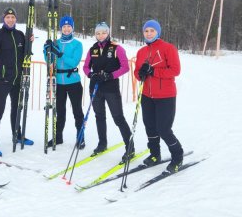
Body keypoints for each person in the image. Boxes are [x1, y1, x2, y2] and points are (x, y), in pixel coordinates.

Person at [135, 19, 184, 173]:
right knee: (150, 127)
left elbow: (175, 70)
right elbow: (137, 73)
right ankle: (155, 154)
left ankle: (178, 156)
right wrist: (141, 73)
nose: (149, 33)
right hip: (147, 96)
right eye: (146, 31)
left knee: (163, 129)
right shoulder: (141, 52)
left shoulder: (168, 48)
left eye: (152, 31)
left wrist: (154, 71)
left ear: (158, 32)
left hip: (165, 96)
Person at [0, 7, 34, 157]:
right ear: (3, 19)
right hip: (2, 80)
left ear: (16, 19)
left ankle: (17, 135)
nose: (10, 20)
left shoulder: (20, 35)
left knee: (17, 108)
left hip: (18, 79)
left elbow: (25, 54)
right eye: (8, 17)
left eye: (13, 17)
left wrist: (29, 42)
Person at [83, 22, 133, 160]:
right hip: (96, 87)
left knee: (118, 118)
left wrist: (110, 75)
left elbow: (125, 67)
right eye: (98, 33)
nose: (100, 35)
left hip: (111, 88)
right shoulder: (92, 49)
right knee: (99, 116)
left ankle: (130, 147)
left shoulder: (116, 48)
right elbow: (86, 67)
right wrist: (90, 74)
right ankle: (102, 143)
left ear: (108, 33)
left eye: (103, 32)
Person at [43, 15, 85, 149]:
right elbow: (49, 61)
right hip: (58, 83)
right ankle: (58, 137)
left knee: (77, 111)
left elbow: (73, 62)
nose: (66, 29)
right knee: (60, 111)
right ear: (60, 28)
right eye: (64, 27)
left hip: (73, 82)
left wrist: (60, 54)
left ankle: (80, 138)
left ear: (72, 28)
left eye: (69, 26)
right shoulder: (56, 42)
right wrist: (47, 50)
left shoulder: (77, 44)